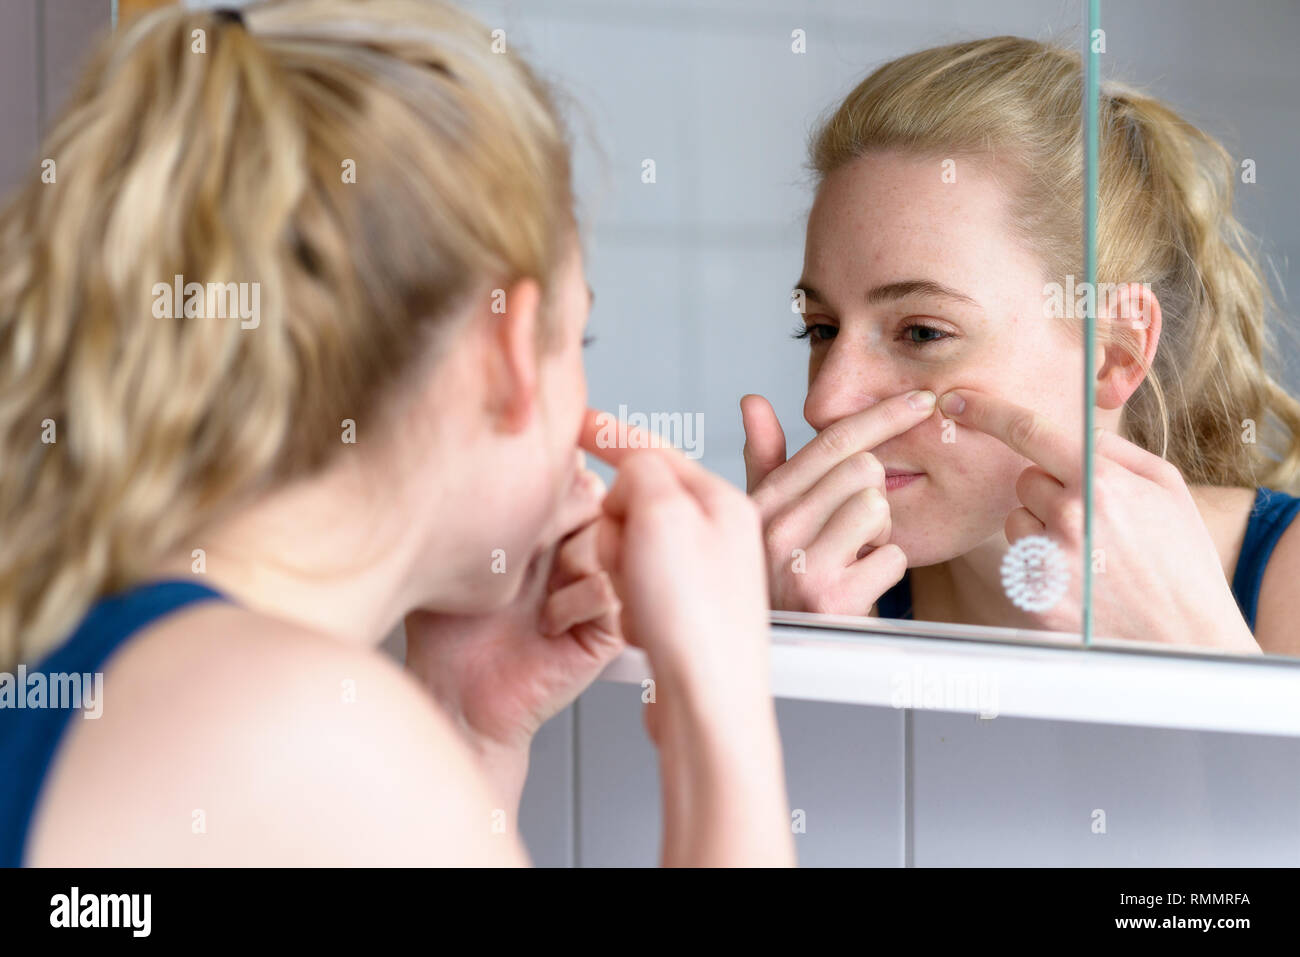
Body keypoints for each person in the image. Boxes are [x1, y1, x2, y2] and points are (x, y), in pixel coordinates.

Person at [0, 0, 793, 866]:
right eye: (580, 340)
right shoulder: (308, 737)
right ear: (507, 355)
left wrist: (465, 724)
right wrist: (720, 699)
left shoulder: (93, 646)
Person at [742, 37, 1300, 654]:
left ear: (1115, 350)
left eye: (923, 332)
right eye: (821, 329)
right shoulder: (814, 598)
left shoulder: (1284, 578)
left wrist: (1202, 651)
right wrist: (788, 658)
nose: (825, 403)